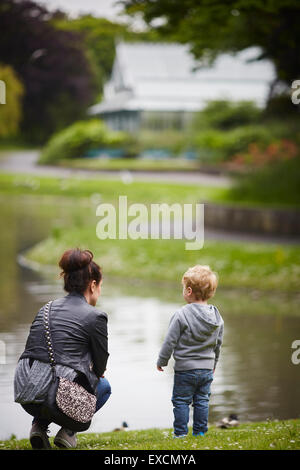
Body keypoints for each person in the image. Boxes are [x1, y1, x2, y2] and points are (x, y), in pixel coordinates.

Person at [14, 248, 110, 449]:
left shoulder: (45, 309)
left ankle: (38, 426)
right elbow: (100, 368)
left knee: (56, 374)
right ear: (93, 285)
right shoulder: (96, 317)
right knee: (103, 386)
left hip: (27, 394)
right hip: (59, 399)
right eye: (100, 286)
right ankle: (68, 432)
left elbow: (32, 352)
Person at [156, 265, 224, 438]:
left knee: (181, 401)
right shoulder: (216, 316)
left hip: (185, 369)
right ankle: (200, 432)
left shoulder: (181, 314)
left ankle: (180, 433)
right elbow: (218, 344)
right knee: (202, 400)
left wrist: (162, 361)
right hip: (207, 369)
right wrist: (214, 364)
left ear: (188, 291)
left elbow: (169, 341)